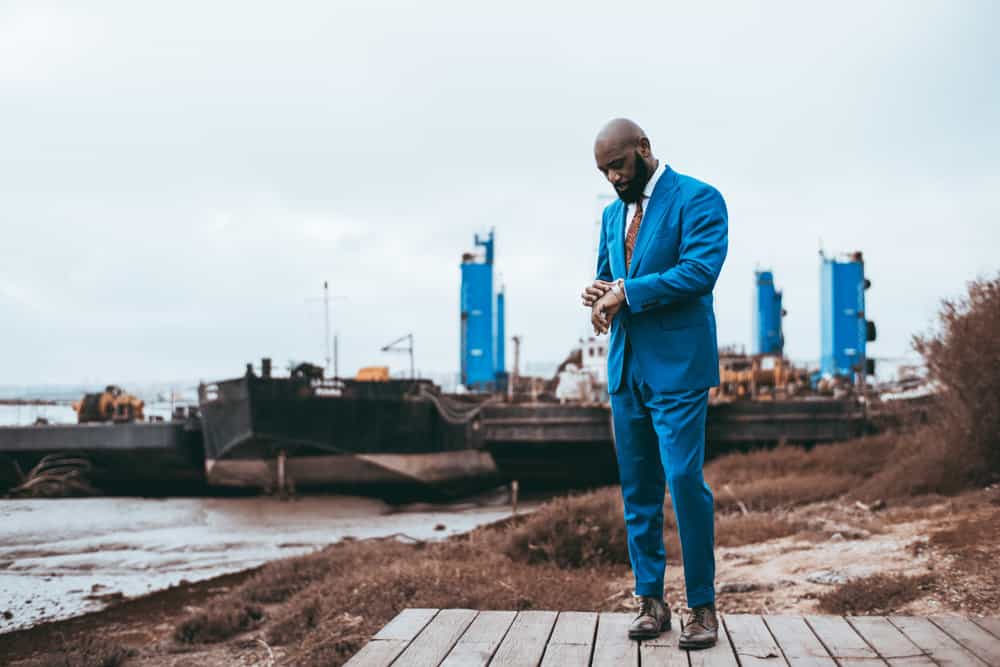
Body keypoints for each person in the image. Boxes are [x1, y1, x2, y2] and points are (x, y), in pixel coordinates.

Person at [581, 118, 728, 649]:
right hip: (626, 369)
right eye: (604, 171)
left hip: (679, 368)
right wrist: (599, 298)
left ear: (643, 148)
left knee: (685, 481)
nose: (613, 179)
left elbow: (699, 272)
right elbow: (608, 277)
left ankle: (703, 607)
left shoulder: (700, 198)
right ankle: (651, 601)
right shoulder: (609, 215)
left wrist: (627, 292)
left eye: (618, 165)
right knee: (637, 491)